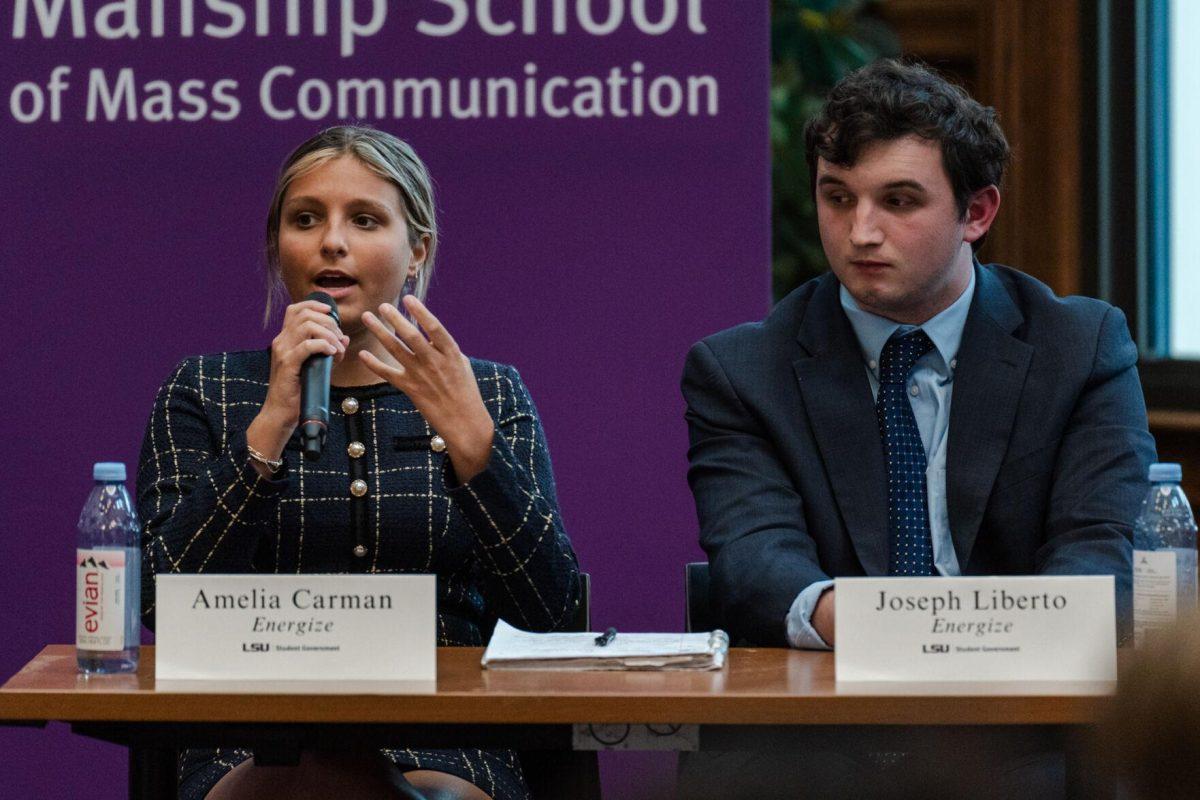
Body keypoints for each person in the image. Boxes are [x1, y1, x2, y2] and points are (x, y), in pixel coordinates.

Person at [679, 58, 1156, 797]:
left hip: (1025, 736)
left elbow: (1101, 557)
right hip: (813, 741)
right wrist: (902, 637)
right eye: (838, 198)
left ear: (978, 213)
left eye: (898, 200)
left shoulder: (1079, 349)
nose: (860, 232)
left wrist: (968, 650)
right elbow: (756, 560)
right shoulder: (743, 370)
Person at [137, 125, 582, 800]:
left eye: (365, 219)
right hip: (251, 738)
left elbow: (551, 612)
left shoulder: (488, 392)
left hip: (445, 739)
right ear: (278, 250)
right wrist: (268, 429)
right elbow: (156, 604)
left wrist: (475, 449)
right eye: (306, 219)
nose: (332, 242)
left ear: (416, 253)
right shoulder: (206, 389)